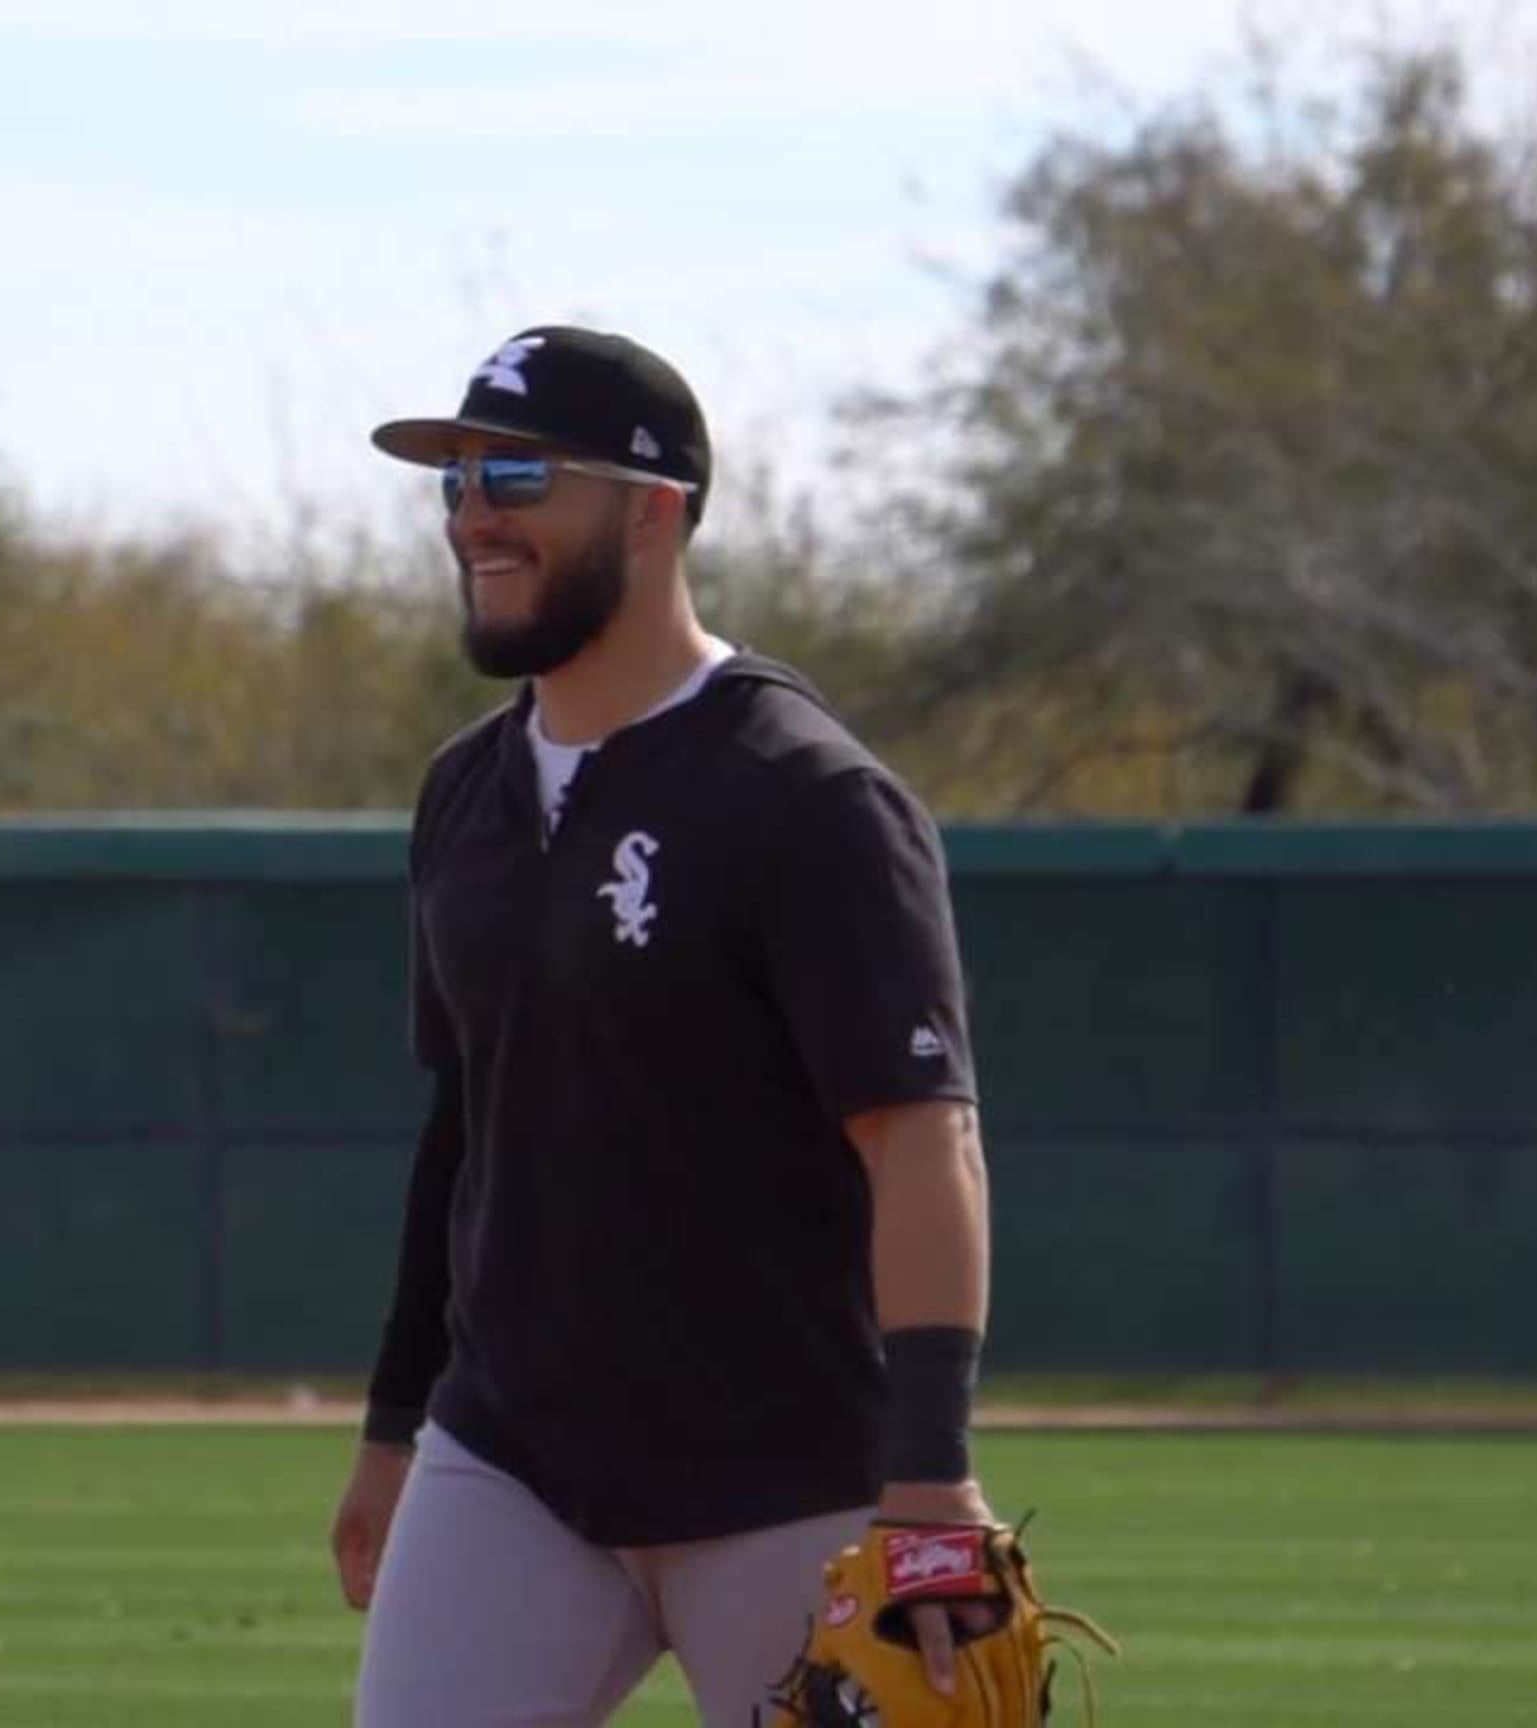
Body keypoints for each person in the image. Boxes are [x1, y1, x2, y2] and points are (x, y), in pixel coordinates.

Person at [328, 327, 1000, 1728]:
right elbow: (465, 1128)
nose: (473, 515)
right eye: (453, 479)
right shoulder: (466, 794)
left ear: (653, 506)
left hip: (786, 1473)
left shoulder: (805, 795)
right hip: (513, 1458)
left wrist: (929, 1479)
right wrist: (397, 1429)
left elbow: (922, 1142)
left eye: (515, 473)